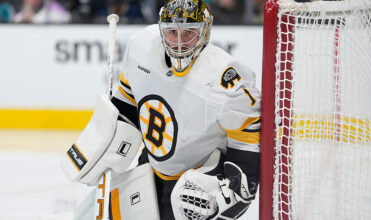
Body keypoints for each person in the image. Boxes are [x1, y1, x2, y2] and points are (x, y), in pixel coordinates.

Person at [62, 0, 260, 219]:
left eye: (188, 33)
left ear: (205, 32)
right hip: (148, 169)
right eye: (172, 33)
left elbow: (246, 147)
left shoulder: (226, 80)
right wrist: (106, 138)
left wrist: (230, 194)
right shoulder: (142, 46)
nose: (179, 43)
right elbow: (129, 100)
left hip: (195, 188)